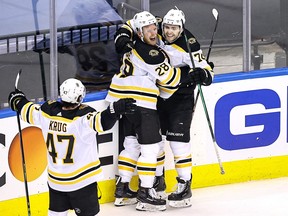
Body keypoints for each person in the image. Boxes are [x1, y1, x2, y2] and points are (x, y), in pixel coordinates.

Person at [113, 8, 214, 208]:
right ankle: (152, 184)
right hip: (153, 97)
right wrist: (123, 34)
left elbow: (208, 72)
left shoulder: (189, 45)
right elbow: (169, 78)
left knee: (176, 143)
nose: (168, 32)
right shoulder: (153, 33)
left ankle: (183, 184)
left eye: (174, 28)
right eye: (166, 27)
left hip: (177, 98)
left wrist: (202, 75)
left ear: (182, 28)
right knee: (152, 145)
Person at [8, 78, 137, 216]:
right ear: (81, 97)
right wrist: (114, 110)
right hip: (82, 182)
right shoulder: (82, 118)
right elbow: (102, 122)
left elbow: (26, 110)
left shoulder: (47, 111)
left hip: (56, 182)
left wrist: (18, 99)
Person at [106, 11, 191, 211]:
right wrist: (188, 72)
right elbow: (170, 81)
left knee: (131, 144)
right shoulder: (152, 53)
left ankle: (123, 189)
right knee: (151, 149)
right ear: (139, 31)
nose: (154, 33)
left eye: (154, 28)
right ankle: (146, 193)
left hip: (122, 101)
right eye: (148, 29)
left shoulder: (133, 46)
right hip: (142, 103)